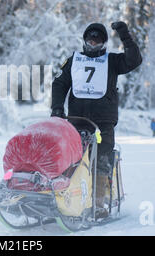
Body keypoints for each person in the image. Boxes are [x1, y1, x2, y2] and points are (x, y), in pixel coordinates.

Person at [51, 21, 142, 218]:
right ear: (84, 40)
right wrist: (57, 107)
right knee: (71, 160)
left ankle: (99, 203)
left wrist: (124, 34)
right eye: (90, 39)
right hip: (76, 120)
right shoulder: (74, 61)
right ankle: (66, 199)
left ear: (103, 42)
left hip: (103, 123)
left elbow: (134, 60)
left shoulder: (112, 61)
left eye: (98, 39)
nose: (93, 42)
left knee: (101, 159)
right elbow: (59, 83)